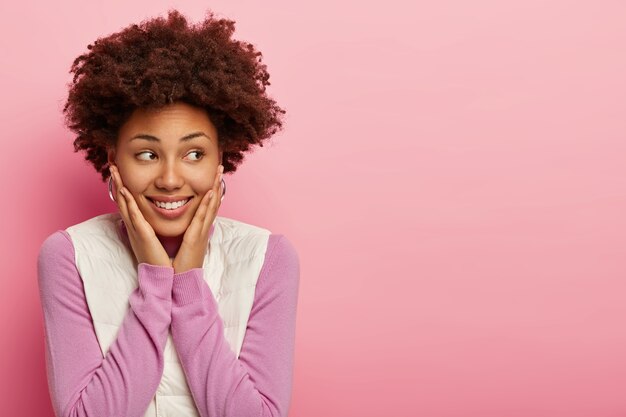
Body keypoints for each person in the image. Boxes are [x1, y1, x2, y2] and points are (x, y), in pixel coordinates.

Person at [36, 9, 299, 417]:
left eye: (194, 153)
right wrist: (157, 283)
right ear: (113, 160)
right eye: (147, 154)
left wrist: (190, 284)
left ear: (220, 161)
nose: (171, 179)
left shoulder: (268, 258)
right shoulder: (68, 255)